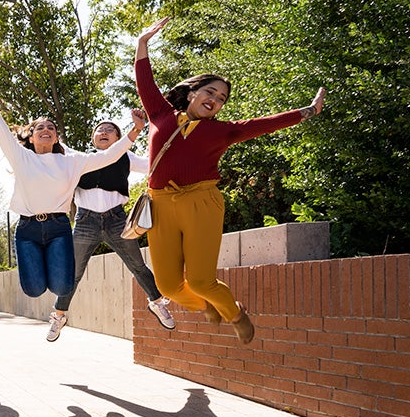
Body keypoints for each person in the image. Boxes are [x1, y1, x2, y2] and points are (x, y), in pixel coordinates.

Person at [135, 17, 325, 343]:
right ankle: (209, 305)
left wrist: (307, 111)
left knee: (200, 280)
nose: (216, 99)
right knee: (167, 286)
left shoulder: (222, 131)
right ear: (192, 92)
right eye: (210, 91)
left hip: (202, 202)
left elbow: (264, 123)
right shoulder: (161, 114)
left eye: (222, 98)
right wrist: (143, 42)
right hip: (161, 204)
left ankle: (234, 312)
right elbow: (145, 80)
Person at [0, 76, 142, 342]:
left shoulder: (72, 161)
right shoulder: (21, 157)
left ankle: (57, 298)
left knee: (63, 285)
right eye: (39, 127)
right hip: (28, 228)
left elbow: (108, 156)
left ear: (55, 137)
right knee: (33, 289)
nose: (46, 129)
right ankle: (43, 272)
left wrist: (134, 132)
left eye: (51, 127)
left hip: (59, 227)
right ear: (31, 135)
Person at [49, 111, 176, 341]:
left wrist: (159, 134)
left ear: (118, 138)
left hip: (117, 221)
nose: (104, 132)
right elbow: (56, 144)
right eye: (99, 130)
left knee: (138, 266)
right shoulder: (79, 158)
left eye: (110, 130)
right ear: (93, 138)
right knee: (73, 273)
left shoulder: (126, 156)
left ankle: (157, 302)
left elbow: (154, 164)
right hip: (85, 223)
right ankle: (59, 315)